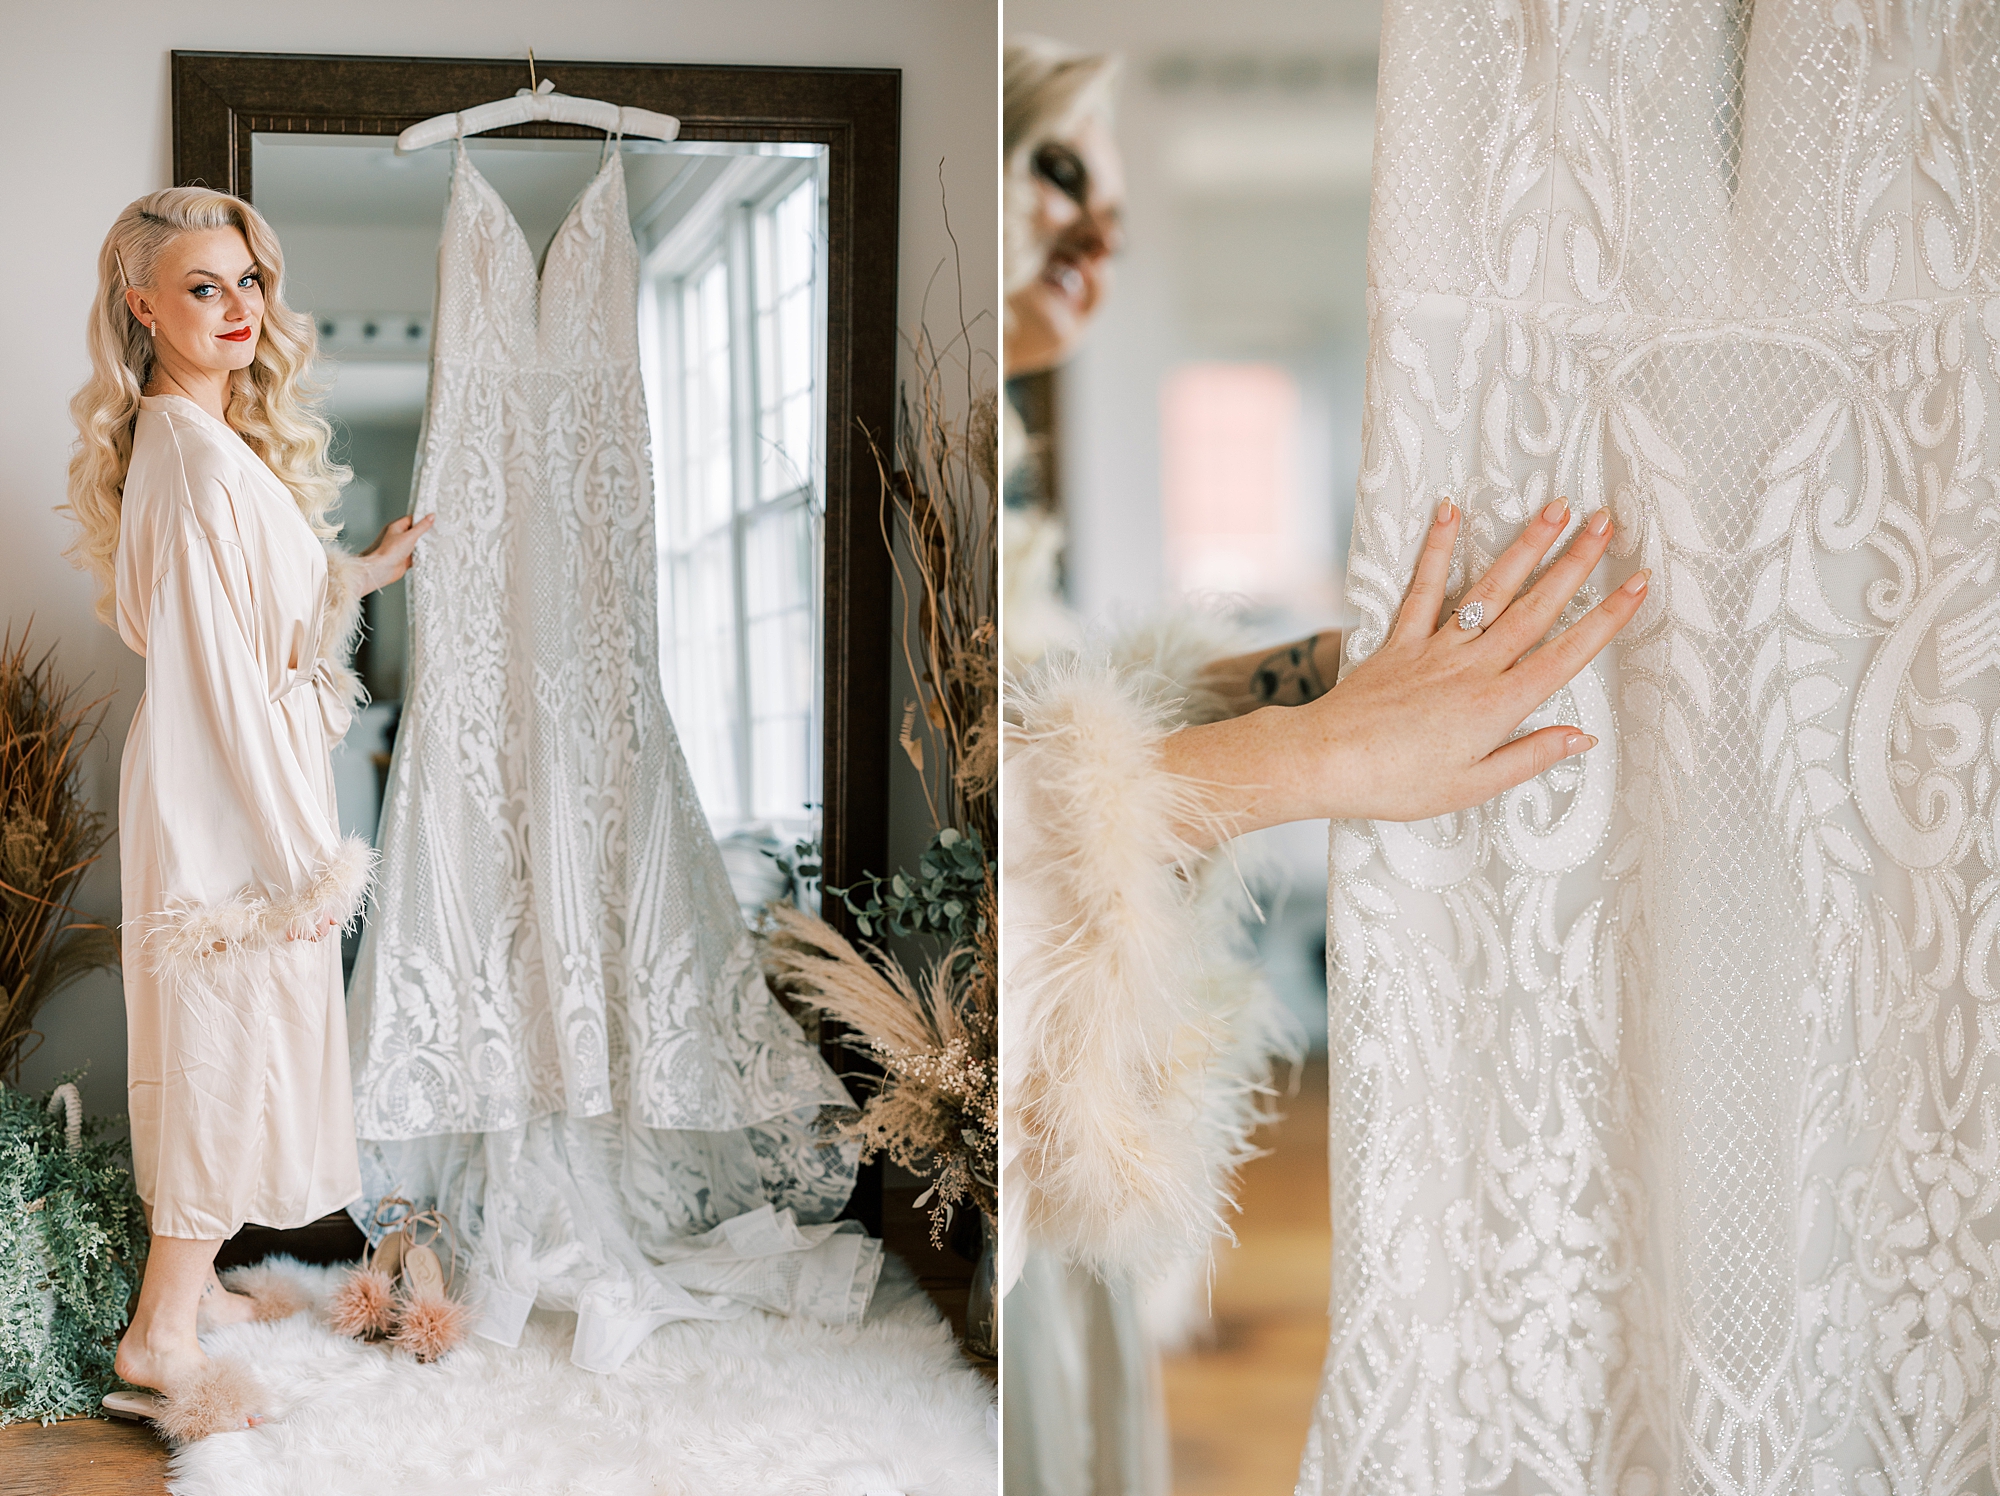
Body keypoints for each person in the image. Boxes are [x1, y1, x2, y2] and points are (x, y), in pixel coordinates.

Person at [999, 37, 1647, 1495]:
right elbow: (972, 842)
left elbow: (1046, 722)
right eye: (1053, 172)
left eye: (1110, 189)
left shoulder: (999, 455)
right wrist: (1318, 750)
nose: (1103, 231)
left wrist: (1314, 677)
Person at [61, 188, 431, 1439]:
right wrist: (295, 852)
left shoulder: (211, 445)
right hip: (227, 788)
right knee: (221, 1040)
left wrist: (360, 574)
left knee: (239, 1034)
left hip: (239, 768)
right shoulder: (176, 449)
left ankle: (197, 1296)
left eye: (248, 283)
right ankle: (159, 1333)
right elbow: (216, 666)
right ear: (143, 304)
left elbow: (259, 611)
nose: (234, 309)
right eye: (203, 287)